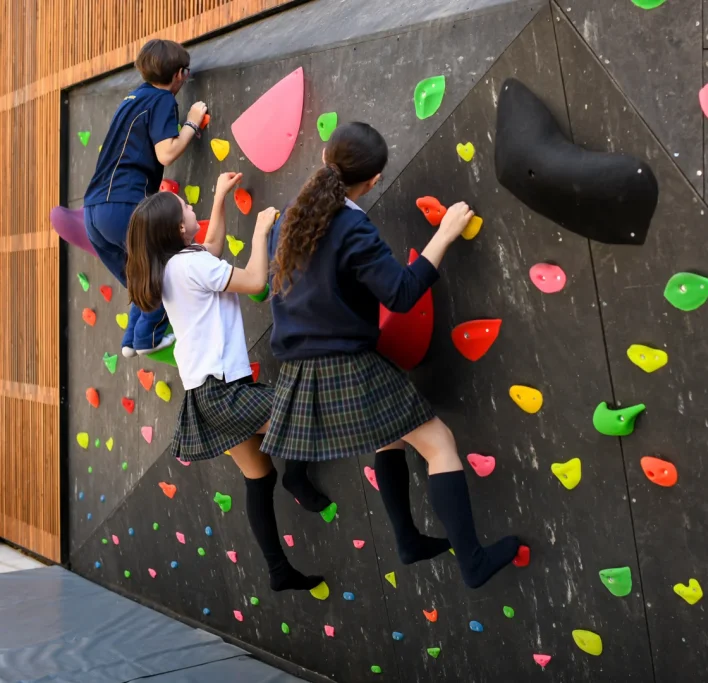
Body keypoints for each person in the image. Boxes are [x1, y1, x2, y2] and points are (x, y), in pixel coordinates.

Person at [262, 122, 519, 589]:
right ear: (375, 180)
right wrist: (443, 235)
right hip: (345, 366)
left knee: (391, 436)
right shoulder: (350, 225)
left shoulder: (288, 220)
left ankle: (407, 538)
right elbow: (400, 294)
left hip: (302, 372)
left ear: (323, 156)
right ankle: (473, 561)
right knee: (439, 443)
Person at [124, 171, 331, 595]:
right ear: (178, 229)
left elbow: (213, 247)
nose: (190, 208)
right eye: (186, 209)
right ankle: (298, 476)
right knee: (304, 407)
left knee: (259, 477)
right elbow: (255, 280)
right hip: (224, 393)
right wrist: (260, 231)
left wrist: (219, 198)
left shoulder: (174, 267)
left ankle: (278, 570)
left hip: (206, 395)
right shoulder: (189, 265)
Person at [84, 38, 206, 357]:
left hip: (94, 212)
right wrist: (192, 122)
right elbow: (166, 153)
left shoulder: (132, 97)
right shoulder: (163, 100)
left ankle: (131, 340)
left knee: (140, 277)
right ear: (180, 74)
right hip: (125, 203)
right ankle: (148, 337)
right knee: (165, 266)